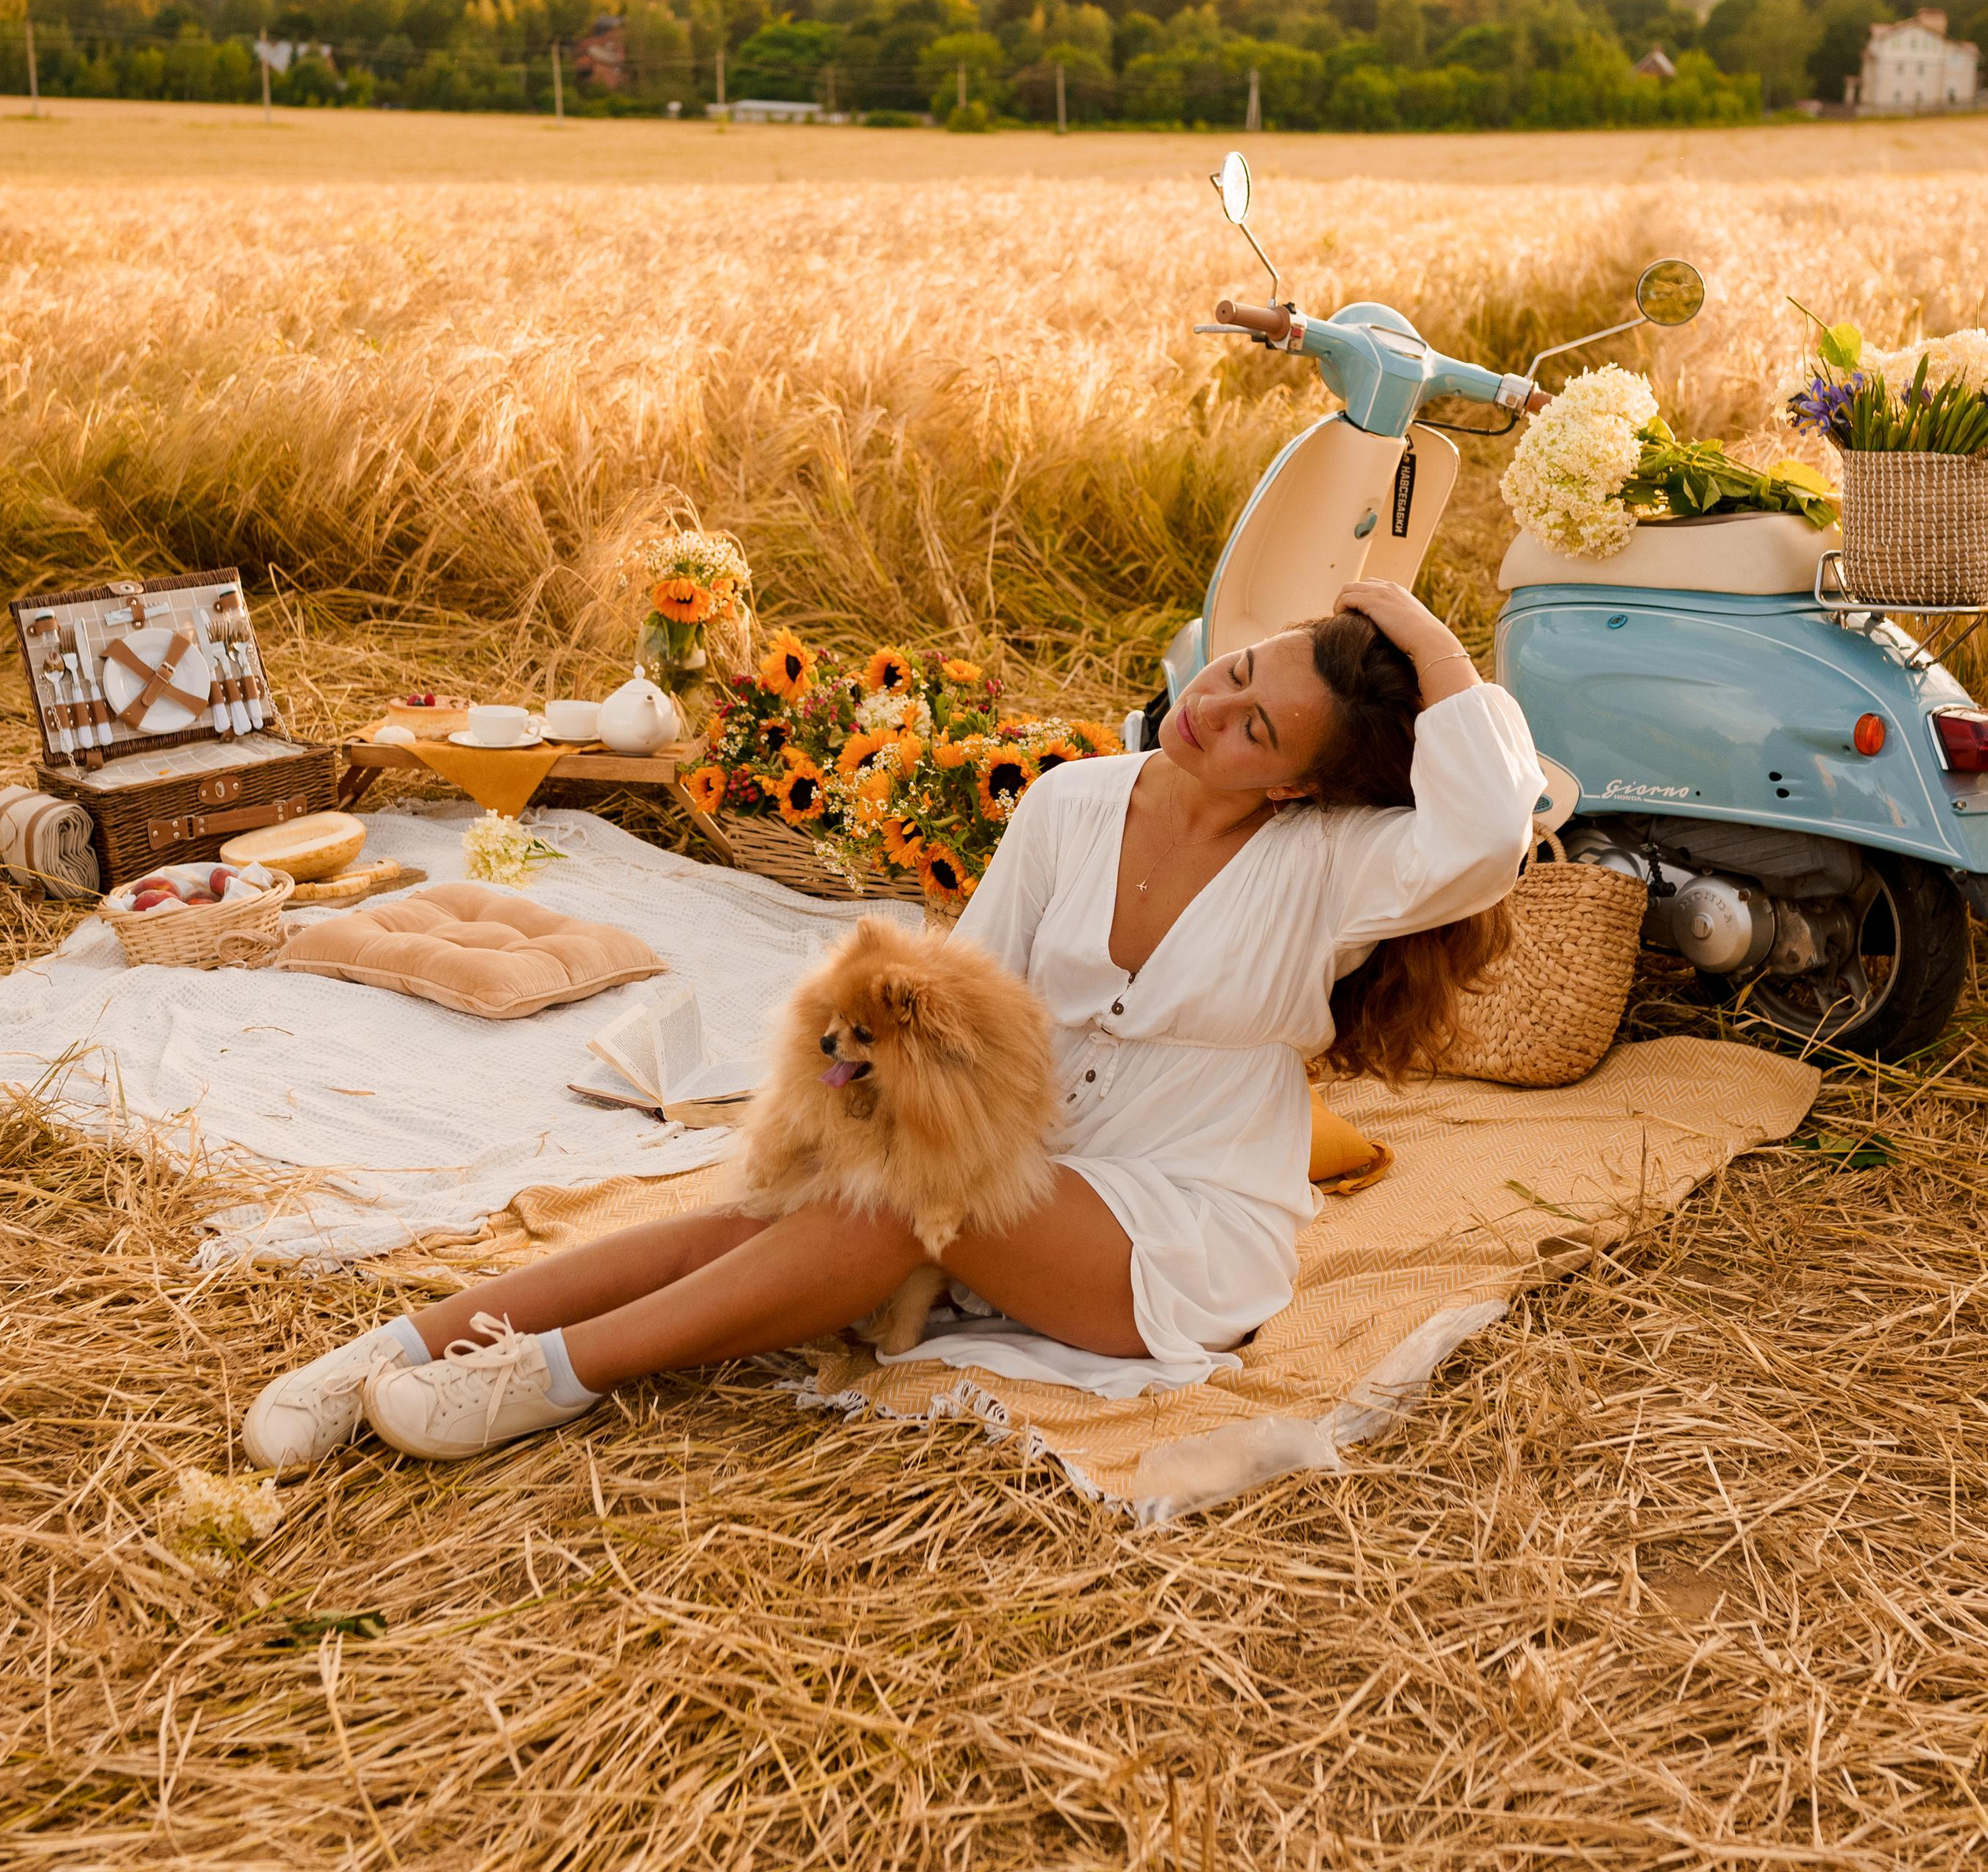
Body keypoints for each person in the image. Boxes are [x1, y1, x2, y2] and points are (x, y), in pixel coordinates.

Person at [241, 581, 1541, 1469]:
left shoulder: (1332, 864)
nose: (1212, 707)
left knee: (916, 1203)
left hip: (1180, 1226)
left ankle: (552, 1376)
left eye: (1258, 725)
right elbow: (958, 994)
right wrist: (845, 1100)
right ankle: (397, 1347)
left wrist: (1420, 630)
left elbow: (1495, 821)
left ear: (1305, 780)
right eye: (1238, 670)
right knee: (758, 1213)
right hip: (1011, 1158)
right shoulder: (1078, 803)